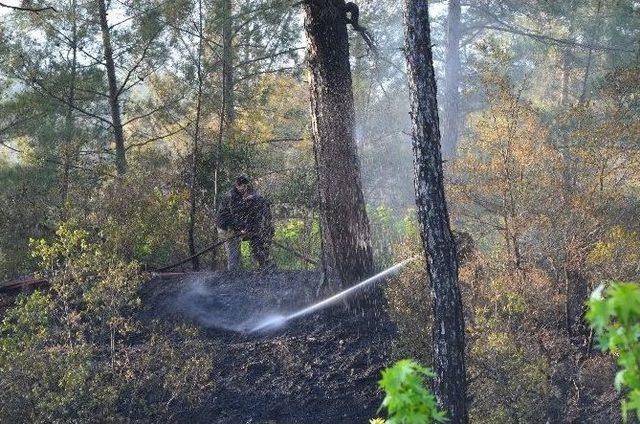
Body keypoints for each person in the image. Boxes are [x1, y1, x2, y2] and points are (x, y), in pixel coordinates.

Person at [216, 174, 274, 270]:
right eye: (242, 186)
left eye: (245, 186)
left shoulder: (250, 195)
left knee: (255, 246)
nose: (244, 188)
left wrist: (249, 229)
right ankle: (232, 276)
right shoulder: (231, 196)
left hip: (236, 225)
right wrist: (241, 229)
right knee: (233, 253)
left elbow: (250, 214)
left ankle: (259, 267)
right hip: (226, 227)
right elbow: (235, 216)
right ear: (237, 185)